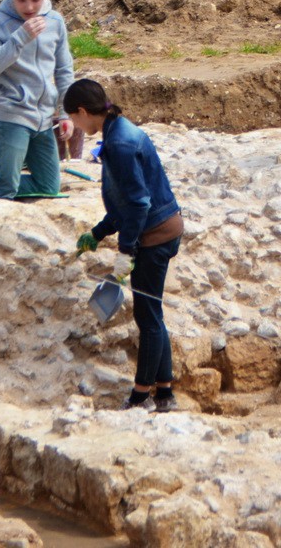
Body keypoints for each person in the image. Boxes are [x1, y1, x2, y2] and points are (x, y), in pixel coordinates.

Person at [70, 79, 184, 412]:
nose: (76, 126)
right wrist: (99, 232)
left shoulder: (119, 144)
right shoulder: (118, 131)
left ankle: (140, 396)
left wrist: (126, 250)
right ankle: (164, 391)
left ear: (81, 112)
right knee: (154, 313)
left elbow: (137, 204)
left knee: (147, 318)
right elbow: (126, 204)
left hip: (156, 235)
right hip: (164, 226)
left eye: (74, 119)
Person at [0, 0, 75, 200]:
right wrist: (19, 38)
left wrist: (66, 112)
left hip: (43, 119)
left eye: (35, 0)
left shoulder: (56, 22)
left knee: (49, 187)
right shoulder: (0, 22)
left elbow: (64, 69)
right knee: (6, 188)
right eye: (21, 0)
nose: (29, 7)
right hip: (11, 115)